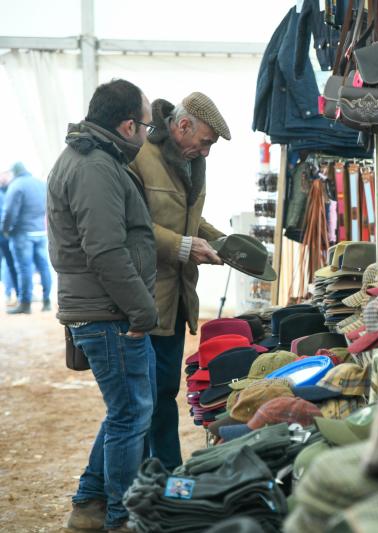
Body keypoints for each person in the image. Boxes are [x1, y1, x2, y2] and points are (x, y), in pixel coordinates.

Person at [48, 78, 158, 532]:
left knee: (126, 411)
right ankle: (121, 518)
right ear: (128, 125)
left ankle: (90, 504)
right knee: (130, 415)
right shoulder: (95, 165)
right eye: (148, 126)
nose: (149, 135)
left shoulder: (94, 158)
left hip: (103, 309)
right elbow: (106, 251)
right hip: (109, 313)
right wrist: (142, 310)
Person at [128, 92, 228, 471]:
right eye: (205, 143)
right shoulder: (140, 158)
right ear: (183, 125)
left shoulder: (191, 164)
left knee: (164, 394)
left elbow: (188, 221)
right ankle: (125, 485)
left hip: (175, 300)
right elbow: (129, 225)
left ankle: (166, 475)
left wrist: (225, 244)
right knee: (142, 401)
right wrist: (183, 247)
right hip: (143, 297)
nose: (206, 153)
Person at [1, 162, 51, 313]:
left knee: (24, 268)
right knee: (43, 266)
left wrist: (5, 229)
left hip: (22, 233)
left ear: (14, 172)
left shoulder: (16, 185)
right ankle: (46, 302)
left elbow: (10, 212)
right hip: (41, 232)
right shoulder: (40, 184)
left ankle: (25, 304)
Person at [0, 170, 19, 307]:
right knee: (11, 265)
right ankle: (14, 294)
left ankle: (15, 294)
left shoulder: (5, 191)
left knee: (11, 265)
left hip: (4, 235)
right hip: (3, 235)